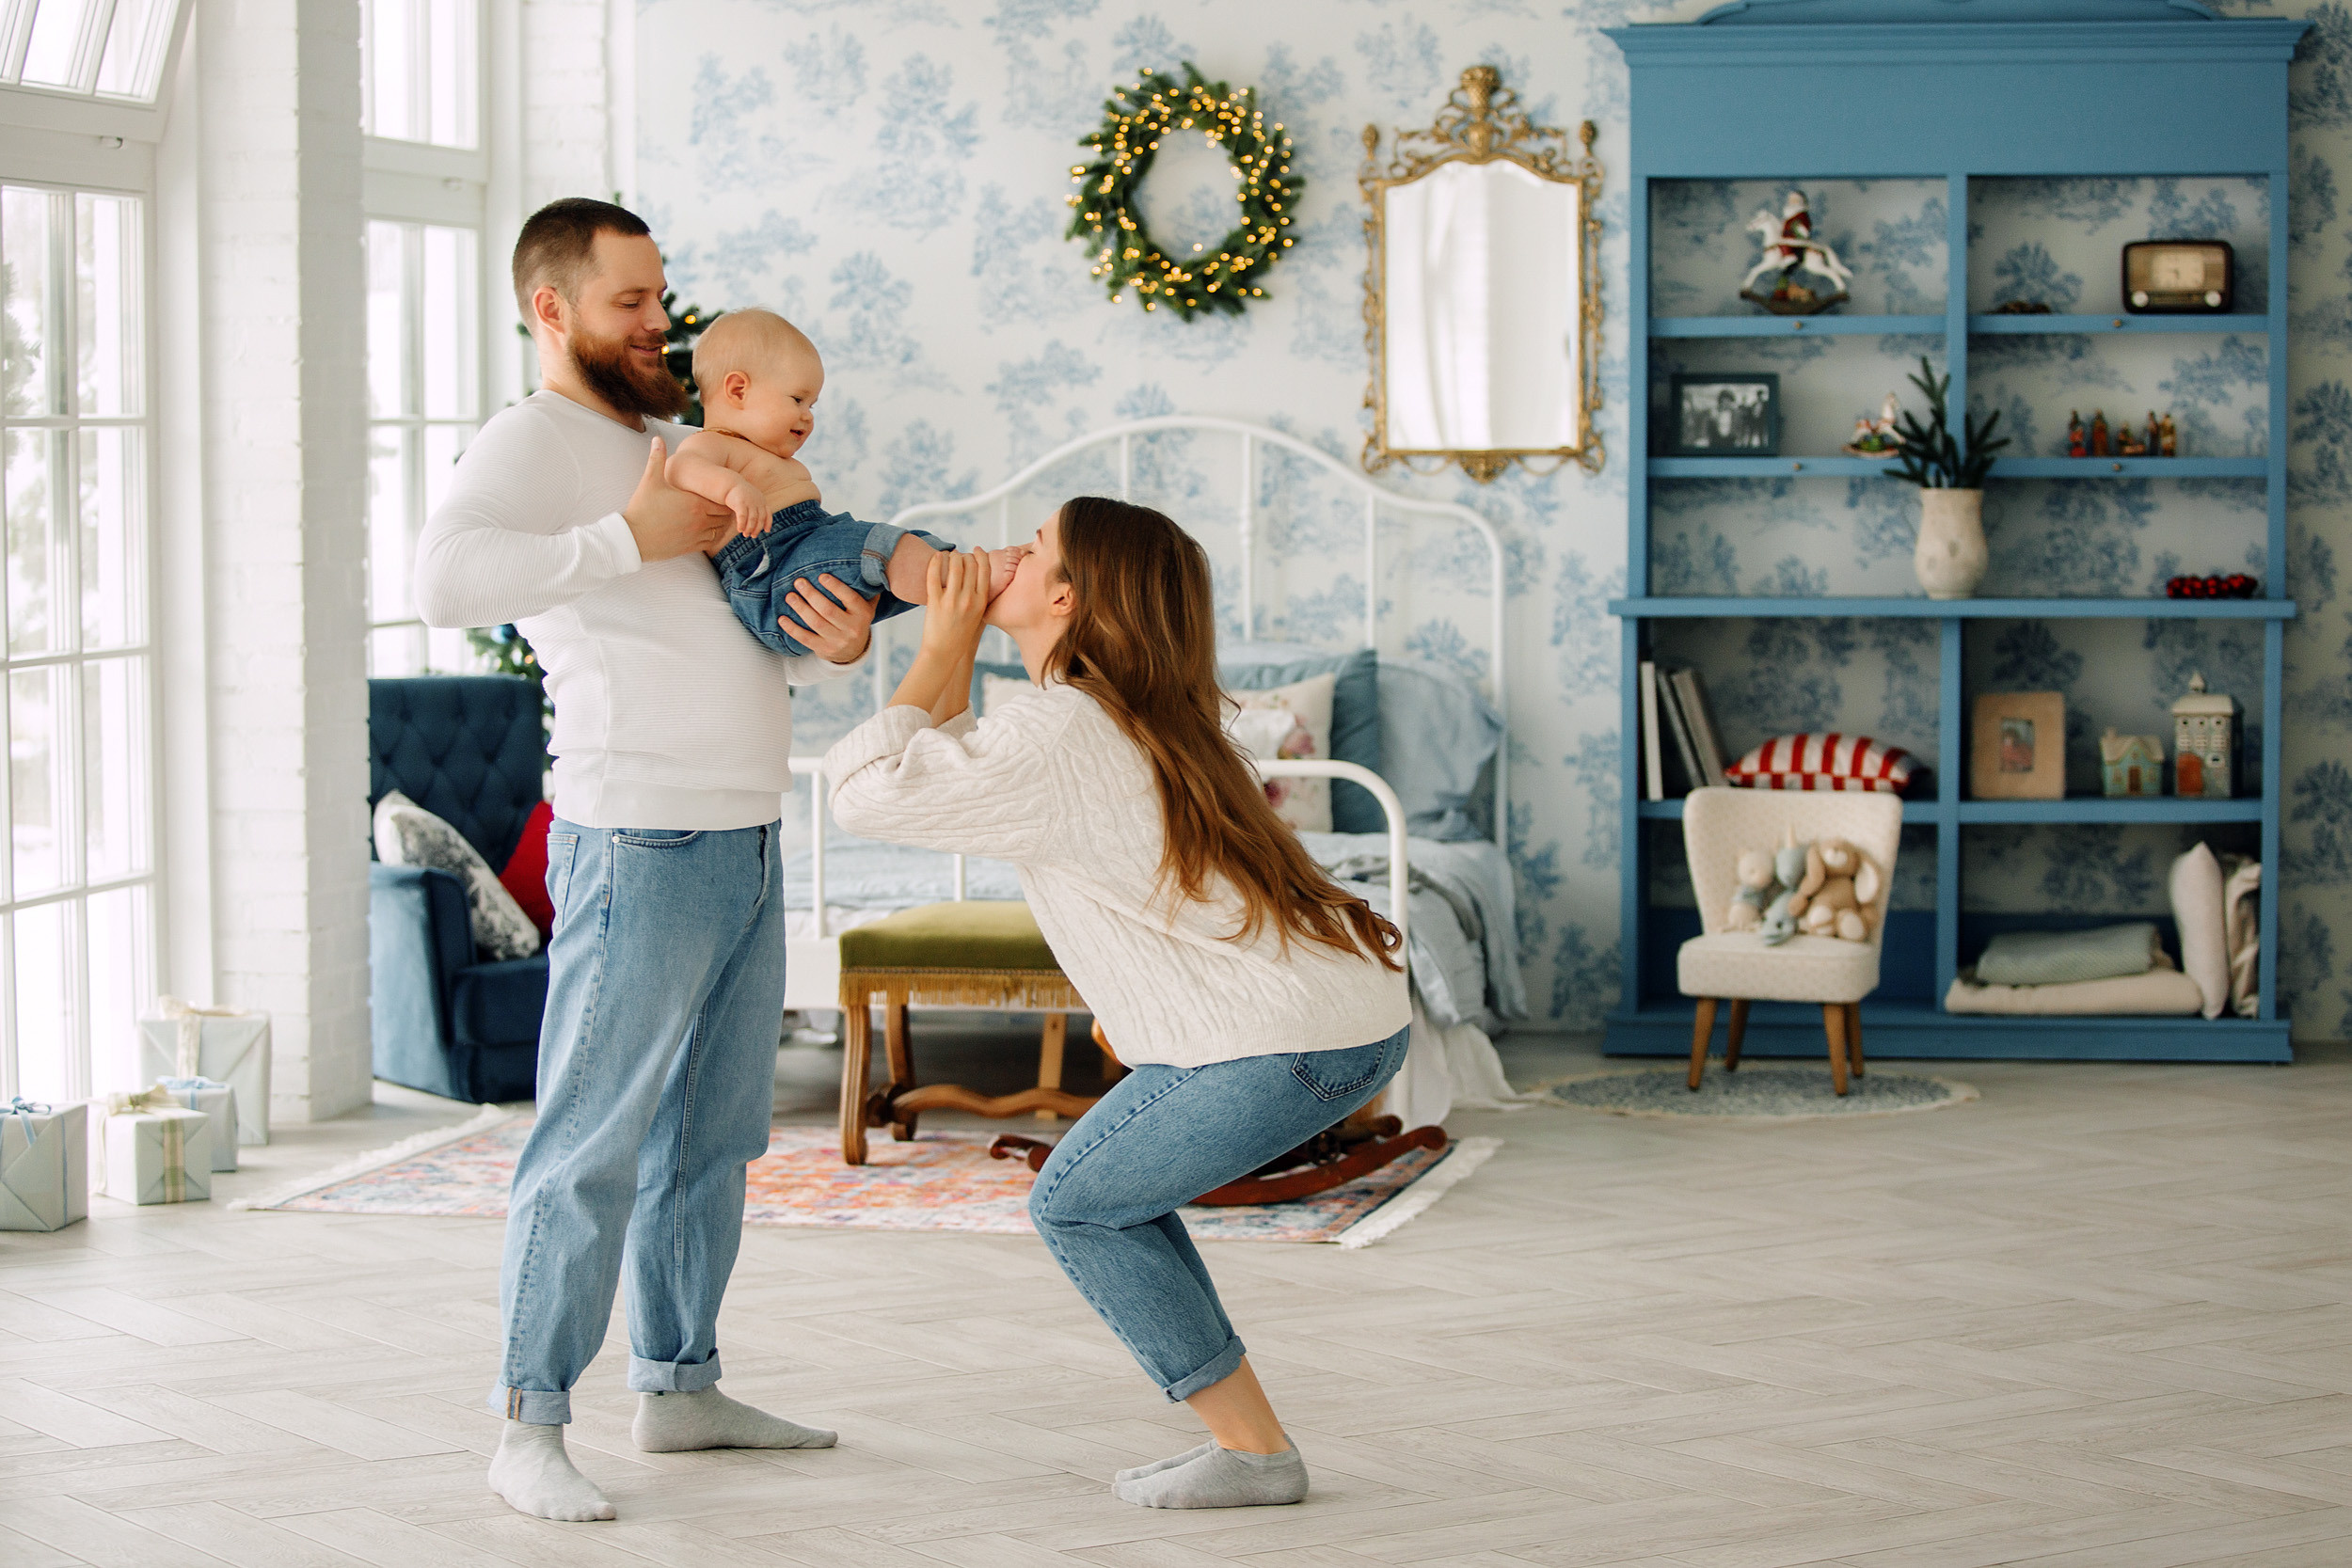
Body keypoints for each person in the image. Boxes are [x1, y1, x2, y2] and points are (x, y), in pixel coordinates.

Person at [414, 198, 876, 1524]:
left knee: (713, 1136)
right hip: (638, 829)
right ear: (549, 309)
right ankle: (530, 1417)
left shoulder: (678, 442)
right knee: (592, 1140)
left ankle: (678, 1383)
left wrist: (825, 638)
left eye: (662, 297)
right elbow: (445, 575)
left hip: (742, 828)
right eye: (631, 302)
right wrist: (628, 535)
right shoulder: (536, 440)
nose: (658, 321)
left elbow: (733, 621)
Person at [820, 496, 1412, 1510]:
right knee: (1114, 1198)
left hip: (1279, 1038)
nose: (1003, 546)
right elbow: (954, 774)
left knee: (1077, 1202)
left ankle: (1257, 1454)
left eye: (1036, 542)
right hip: (1342, 1019)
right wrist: (953, 646)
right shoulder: (1119, 715)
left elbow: (872, 791)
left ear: (1065, 594)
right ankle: (1251, 1445)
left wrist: (943, 638)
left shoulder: (1058, 729)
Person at [666, 309, 1021, 657]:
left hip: (806, 553)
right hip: (771, 573)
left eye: (813, 405)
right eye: (798, 399)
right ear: (739, 390)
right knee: (882, 548)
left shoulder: (762, 454)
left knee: (904, 551)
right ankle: (969, 578)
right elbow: (680, 469)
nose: (807, 416)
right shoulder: (711, 443)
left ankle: (967, 588)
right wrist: (733, 489)